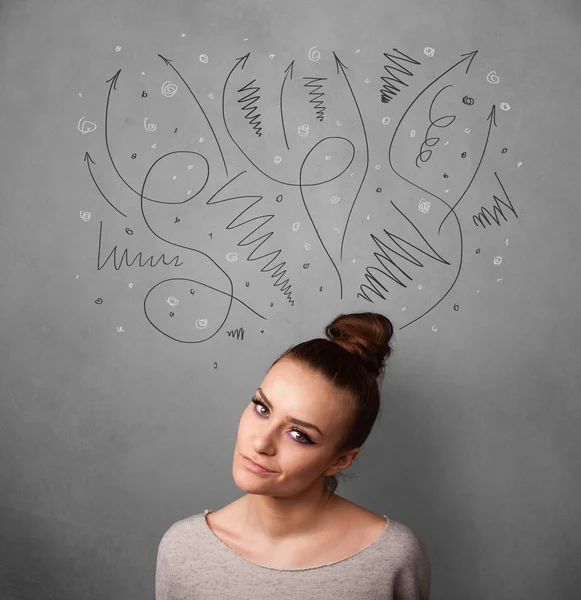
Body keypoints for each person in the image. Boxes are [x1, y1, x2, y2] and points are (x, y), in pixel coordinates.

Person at [156, 312, 431, 599]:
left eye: (299, 434)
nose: (261, 442)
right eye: (262, 408)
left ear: (341, 461)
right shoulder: (183, 550)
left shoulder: (393, 558)